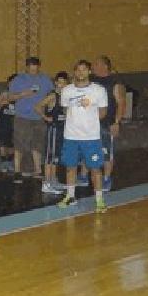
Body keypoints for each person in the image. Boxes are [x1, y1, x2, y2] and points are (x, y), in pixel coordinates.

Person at [57, 60, 109, 214]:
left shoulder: (98, 90)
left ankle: (99, 200)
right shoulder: (66, 90)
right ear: (74, 72)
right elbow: (66, 111)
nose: (80, 73)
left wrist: (88, 122)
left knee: (95, 169)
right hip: (71, 137)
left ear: (89, 72)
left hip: (91, 138)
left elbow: (102, 113)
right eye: (78, 70)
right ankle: (70, 196)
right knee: (70, 168)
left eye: (84, 70)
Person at [7, 57, 54, 183]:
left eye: (36, 68)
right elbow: (10, 98)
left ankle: (38, 170)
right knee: (20, 144)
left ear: (39, 67)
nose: (34, 70)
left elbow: (52, 94)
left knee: (37, 144)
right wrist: (22, 94)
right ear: (26, 67)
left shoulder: (45, 79)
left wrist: (50, 108)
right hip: (22, 117)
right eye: (31, 68)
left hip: (39, 117)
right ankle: (17, 171)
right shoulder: (19, 80)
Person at [90, 56, 126, 191]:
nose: (93, 66)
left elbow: (122, 103)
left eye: (96, 63)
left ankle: (106, 178)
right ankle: (87, 175)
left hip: (108, 123)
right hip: (92, 123)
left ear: (105, 66)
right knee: (90, 150)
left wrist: (116, 122)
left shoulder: (115, 82)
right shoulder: (92, 81)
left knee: (106, 153)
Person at [33, 71, 69, 194]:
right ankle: (46, 184)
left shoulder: (66, 97)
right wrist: (45, 117)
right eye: (59, 82)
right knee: (50, 157)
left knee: (56, 157)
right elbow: (37, 106)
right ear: (55, 83)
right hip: (53, 129)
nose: (61, 85)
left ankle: (53, 180)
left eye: (64, 83)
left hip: (61, 130)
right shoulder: (53, 96)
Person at [0, 74, 17, 173]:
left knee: (11, 144)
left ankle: (10, 162)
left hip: (13, 122)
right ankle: (4, 162)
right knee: (2, 143)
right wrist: (2, 101)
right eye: (11, 83)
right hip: (3, 122)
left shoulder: (20, 95)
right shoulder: (5, 93)